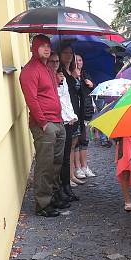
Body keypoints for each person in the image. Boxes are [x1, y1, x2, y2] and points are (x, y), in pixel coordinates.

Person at [18, 35, 66, 217]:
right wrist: (44, 123)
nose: (46, 49)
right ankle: (43, 204)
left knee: (56, 163)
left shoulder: (47, 69)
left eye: (48, 46)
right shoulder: (30, 71)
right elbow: (32, 99)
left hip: (57, 121)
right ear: (34, 48)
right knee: (45, 165)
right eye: (42, 46)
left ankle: (53, 197)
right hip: (45, 124)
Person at [48, 53, 77, 205]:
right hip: (56, 120)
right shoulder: (49, 78)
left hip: (67, 119)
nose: (55, 63)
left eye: (57, 61)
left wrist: (71, 116)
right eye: (52, 61)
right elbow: (55, 99)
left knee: (65, 157)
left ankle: (66, 187)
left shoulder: (62, 78)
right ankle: (58, 190)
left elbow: (66, 99)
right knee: (58, 159)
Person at [59, 45, 86, 186]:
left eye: (71, 53)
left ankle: (72, 174)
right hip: (68, 114)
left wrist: (79, 79)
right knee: (68, 146)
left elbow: (79, 92)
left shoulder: (72, 71)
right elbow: (65, 92)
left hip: (77, 113)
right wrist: (73, 78)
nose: (69, 55)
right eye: (65, 52)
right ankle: (67, 177)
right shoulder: (61, 72)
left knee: (73, 144)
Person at [72, 54, 96, 178]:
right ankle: (77, 168)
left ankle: (84, 166)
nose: (78, 62)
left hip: (86, 111)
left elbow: (90, 93)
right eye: (76, 60)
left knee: (85, 140)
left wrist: (92, 85)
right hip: (75, 112)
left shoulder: (86, 75)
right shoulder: (70, 75)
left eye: (80, 60)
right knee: (76, 140)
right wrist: (75, 78)